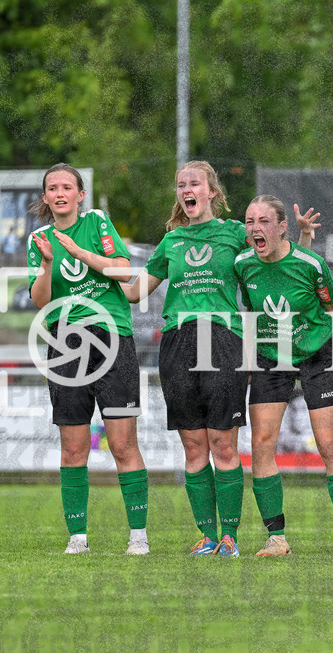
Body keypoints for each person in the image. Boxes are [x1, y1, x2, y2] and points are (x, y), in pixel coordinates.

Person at [122, 160, 248, 557]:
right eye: (180, 185)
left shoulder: (236, 234)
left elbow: (274, 264)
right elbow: (134, 291)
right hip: (177, 341)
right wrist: (91, 267)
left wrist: (307, 240)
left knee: (222, 444)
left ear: (212, 191)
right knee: (194, 445)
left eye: (194, 183)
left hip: (224, 338)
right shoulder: (171, 241)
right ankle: (207, 536)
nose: (186, 190)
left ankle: (229, 537)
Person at [235, 195, 333, 557]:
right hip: (270, 357)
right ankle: (276, 538)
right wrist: (248, 362)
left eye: (263, 221)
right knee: (261, 442)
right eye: (249, 221)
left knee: (328, 444)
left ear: (282, 227)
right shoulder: (242, 264)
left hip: (317, 353)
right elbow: (250, 314)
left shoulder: (312, 264)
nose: (255, 228)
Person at [26, 163, 149, 554]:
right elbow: (40, 301)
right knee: (73, 445)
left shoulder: (96, 222)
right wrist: (47, 263)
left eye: (67, 186)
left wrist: (78, 251)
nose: (60, 193)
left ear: (80, 195)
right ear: (45, 198)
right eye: (52, 188)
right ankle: (77, 538)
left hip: (111, 334)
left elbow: (125, 270)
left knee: (122, 443)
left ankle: (138, 536)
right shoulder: (38, 239)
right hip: (65, 342)